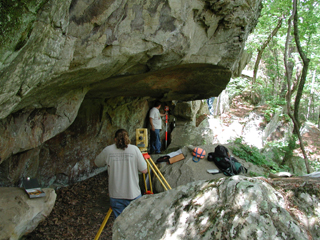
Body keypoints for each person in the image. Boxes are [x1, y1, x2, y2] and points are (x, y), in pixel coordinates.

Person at [94, 129, 147, 219]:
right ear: (127, 138)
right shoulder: (135, 150)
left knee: (119, 223)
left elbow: (97, 163)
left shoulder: (108, 150)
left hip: (116, 194)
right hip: (133, 193)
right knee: (136, 221)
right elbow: (144, 170)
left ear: (115, 139)